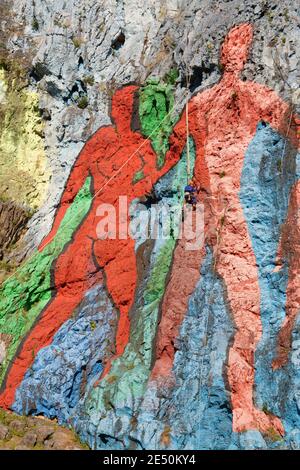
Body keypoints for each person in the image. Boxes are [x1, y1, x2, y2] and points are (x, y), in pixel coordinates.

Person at [151, 23, 299, 436]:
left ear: (246, 53)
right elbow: (176, 154)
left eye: (241, 44)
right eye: (232, 43)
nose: (234, 51)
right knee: (227, 305)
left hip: (210, 209)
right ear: (225, 53)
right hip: (216, 211)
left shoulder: (243, 98)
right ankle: (236, 407)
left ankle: (235, 404)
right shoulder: (208, 103)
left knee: (234, 307)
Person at [0, 85, 182, 409]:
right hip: (105, 233)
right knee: (115, 307)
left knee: (92, 310)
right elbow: (81, 189)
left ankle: (15, 388)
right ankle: (13, 387)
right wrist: (52, 236)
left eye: (126, 106)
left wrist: (54, 235)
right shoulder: (124, 144)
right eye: (122, 105)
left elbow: (78, 191)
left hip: (99, 232)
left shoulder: (119, 144)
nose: (123, 110)